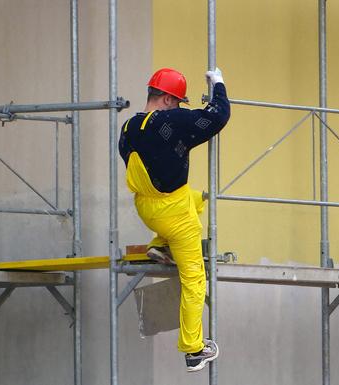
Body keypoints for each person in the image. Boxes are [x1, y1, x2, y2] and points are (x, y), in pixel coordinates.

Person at [118, 67, 230, 372]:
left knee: (197, 198)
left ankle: (161, 246)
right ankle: (194, 350)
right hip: (174, 216)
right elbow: (218, 116)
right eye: (178, 101)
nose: (180, 107)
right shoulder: (170, 120)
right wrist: (218, 84)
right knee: (195, 280)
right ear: (167, 98)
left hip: (148, 209)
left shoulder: (128, 128)